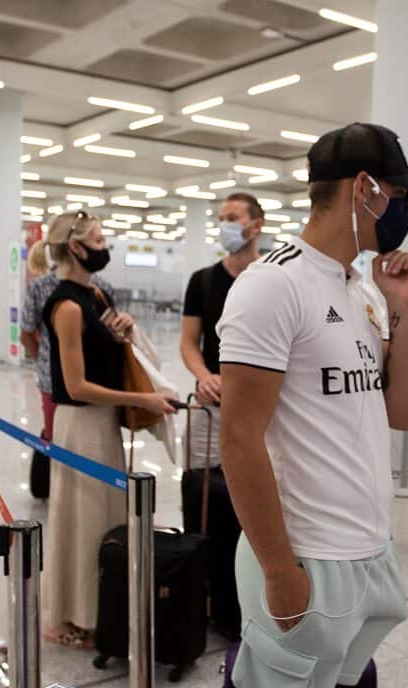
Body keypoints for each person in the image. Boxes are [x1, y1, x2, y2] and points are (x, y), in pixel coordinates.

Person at [217, 122, 408, 688]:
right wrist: (278, 569)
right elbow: (238, 439)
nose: (402, 210)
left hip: (367, 550)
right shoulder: (273, 285)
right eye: (398, 194)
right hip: (304, 553)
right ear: (363, 188)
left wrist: (404, 308)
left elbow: (401, 412)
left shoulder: (362, 289)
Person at [39, 211, 176, 648]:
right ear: (76, 248)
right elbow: (76, 385)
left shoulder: (93, 295)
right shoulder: (66, 305)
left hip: (101, 423)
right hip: (80, 424)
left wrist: (123, 334)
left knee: (103, 517)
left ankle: (100, 607)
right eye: (97, 239)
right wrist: (142, 401)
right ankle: (68, 617)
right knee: (79, 519)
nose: (104, 246)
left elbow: (106, 358)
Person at [179, 191, 265, 638]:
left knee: (255, 500)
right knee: (206, 498)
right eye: (221, 218)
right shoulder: (203, 281)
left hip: (263, 413)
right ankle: (209, 593)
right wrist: (202, 376)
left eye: (232, 218)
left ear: (257, 224)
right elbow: (189, 343)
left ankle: (252, 595)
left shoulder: (275, 278)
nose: (225, 226)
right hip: (211, 411)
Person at [20, 239, 112, 442]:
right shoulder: (100, 287)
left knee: (58, 443)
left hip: (57, 382)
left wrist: (45, 360)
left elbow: (26, 333)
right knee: (90, 444)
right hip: (92, 382)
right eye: (96, 239)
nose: (102, 246)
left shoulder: (40, 287)